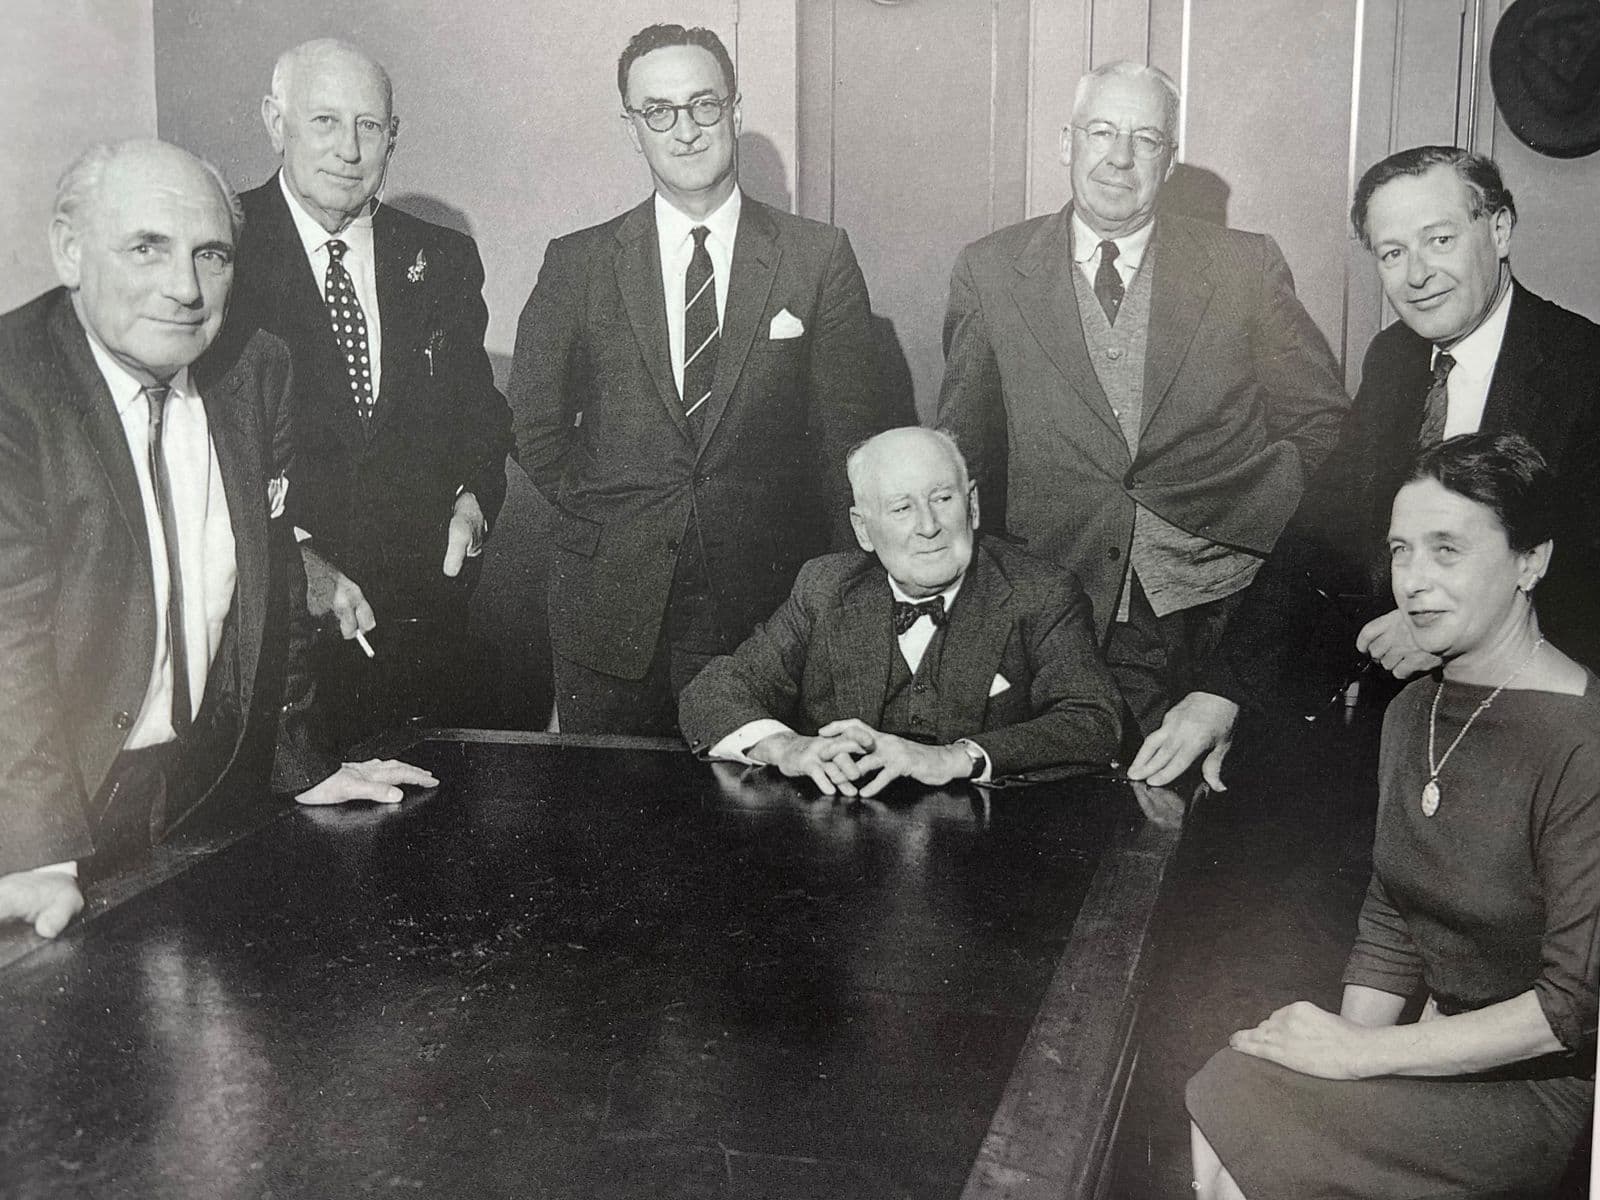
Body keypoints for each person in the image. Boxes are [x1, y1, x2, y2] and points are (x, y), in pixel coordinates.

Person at [0, 140, 436, 939]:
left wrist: (302, 760)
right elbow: (7, 636)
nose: (186, 289)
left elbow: (270, 576)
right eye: (146, 249)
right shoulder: (13, 387)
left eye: (211, 254)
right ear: (70, 248)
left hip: (197, 791)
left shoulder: (256, 367)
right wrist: (35, 848)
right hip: (43, 818)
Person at [1186, 433, 1598, 1199]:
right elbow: (1393, 915)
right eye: (1401, 551)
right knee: (1235, 1089)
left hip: (1538, 1094)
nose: (1413, 581)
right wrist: (1336, 1052)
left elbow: (1567, 1010)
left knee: (1244, 1112)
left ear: (1530, 561)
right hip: (1429, 1054)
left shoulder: (1583, 743)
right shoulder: (1412, 709)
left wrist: (1357, 1059)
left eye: (1447, 550)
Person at [1139, 145, 1600, 789]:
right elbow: (1317, 532)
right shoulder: (1394, 359)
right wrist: (1223, 692)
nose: (1417, 274)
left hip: (1539, 737)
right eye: (1391, 252)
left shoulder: (1584, 368)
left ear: (1498, 230)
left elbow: (1584, 577)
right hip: (1395, 723)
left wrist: (1455, 630)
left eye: (1438, 239)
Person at [936, 59, 1348, 773]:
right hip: (1064, 610)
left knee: (1224, 832)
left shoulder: (1245, 264)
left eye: (1145, 138)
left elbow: (1326, 423)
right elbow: (964, 453)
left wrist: (1266, 501)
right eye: (1101, 131)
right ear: (1067, 142)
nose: (1119, 157)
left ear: (1171, 159)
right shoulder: (991, 269)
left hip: (1224, 605)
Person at [510, 22, 884, 736]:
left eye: (703, 105)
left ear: (735, 111)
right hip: (610, 611)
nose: (683, 129)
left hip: (766, 611)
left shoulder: (817, 258)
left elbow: (849, 445)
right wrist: (611, 512)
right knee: (610, 825)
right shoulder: (578, 262)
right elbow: (534, 425)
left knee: (761, 832)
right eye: (658, 111)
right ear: (633, 128)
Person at [229, 39, 512, 747]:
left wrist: (474, 503)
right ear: (275, 123)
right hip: (276, 641)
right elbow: (211, 451)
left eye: (369, 126)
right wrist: (293, 563)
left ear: (394, 136)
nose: (349, 149)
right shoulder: (221, 249)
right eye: (324, 122)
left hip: (418, 637)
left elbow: (478, 415)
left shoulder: (441, 257)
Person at [678, 427, 1121, 795]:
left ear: (973, 505)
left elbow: (1094, 722)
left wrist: (953, 757)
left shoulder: (1040, 593)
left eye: (943, 499)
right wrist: (784, 746)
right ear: (863, 529)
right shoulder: (826, 587)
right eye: (902, 508)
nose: (928, 526)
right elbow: (713, 690)